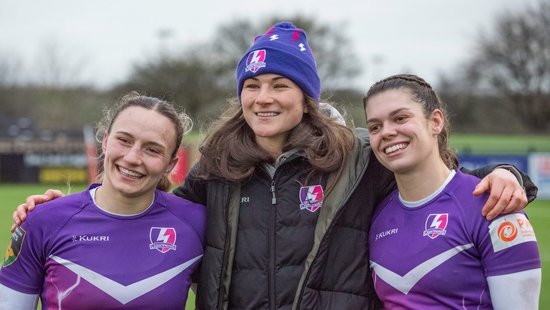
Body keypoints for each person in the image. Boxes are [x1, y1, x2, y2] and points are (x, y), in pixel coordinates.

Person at [10, 22, 537, 310]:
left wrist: (514, 178)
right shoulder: (214, 166)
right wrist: (59, 211)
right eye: (251, 86)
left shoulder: (355, 157)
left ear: (305, 95)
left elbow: (430, 171)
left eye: (280, 85)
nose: (264, 98)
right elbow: (144, 210)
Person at [0, 92, 206, 308]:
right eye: (124, 140)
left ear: (171, 164)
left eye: (152, 150)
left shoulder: (197, 224)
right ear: (106, 141)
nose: (132, 158)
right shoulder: (42, 221)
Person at [364, 74, 541, 309]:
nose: (386, 132)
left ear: (436, 121)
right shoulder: (377, 217)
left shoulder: (495, 206)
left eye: (400, 118)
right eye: (375, 126)